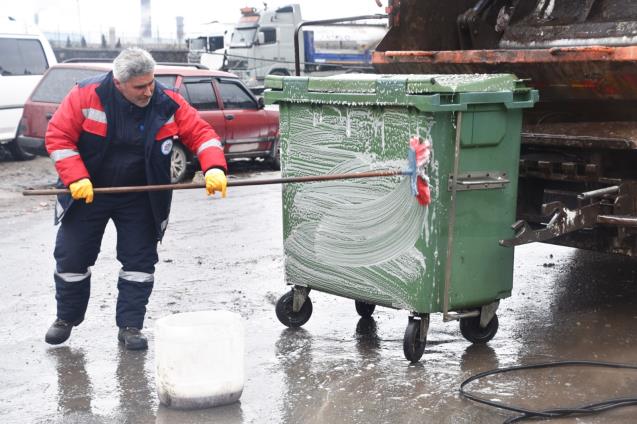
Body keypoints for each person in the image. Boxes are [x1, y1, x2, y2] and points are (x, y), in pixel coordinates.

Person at [44, 47, 228, 350]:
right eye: (140, 86)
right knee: (71, 257)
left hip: (142, 195)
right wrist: (75, 176)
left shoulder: (165, 102)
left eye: (152, 82)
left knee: (139, 263)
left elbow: (202, 133)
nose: (149, 91)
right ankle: (66, 318)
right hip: (89, 191)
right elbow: (59, 136)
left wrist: (214, 167)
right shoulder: (86, 95)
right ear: (119, 83)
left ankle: (130, 327)